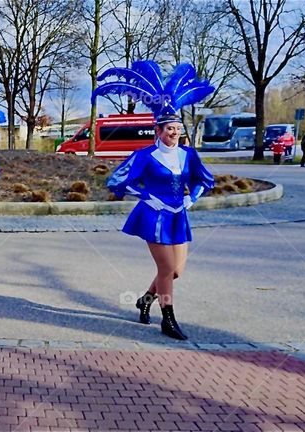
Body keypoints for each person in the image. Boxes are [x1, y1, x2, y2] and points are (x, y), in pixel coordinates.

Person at [96, 60, 215, 341]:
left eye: (176, 128)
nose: (173, 132)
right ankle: (168, 319)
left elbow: (205, 180)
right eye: (168, 128)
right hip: (154, 216)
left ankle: (146, 299)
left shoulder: (189, 155)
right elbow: (116, 181)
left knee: (177, 271)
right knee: (165, 268)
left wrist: (192, 199)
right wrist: (147, 197)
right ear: (158, 131)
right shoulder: (145, 156)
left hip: (178, 215)